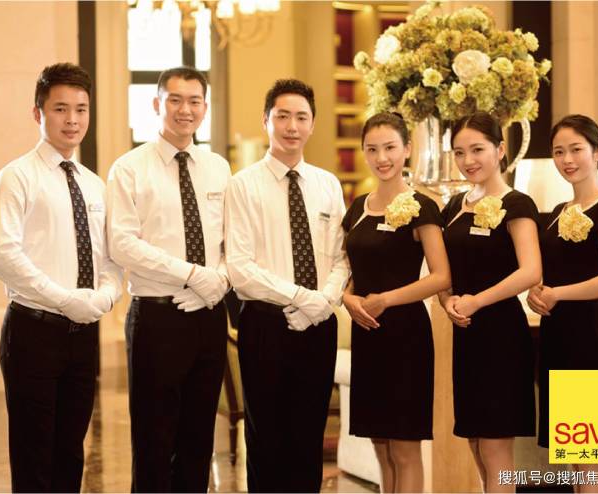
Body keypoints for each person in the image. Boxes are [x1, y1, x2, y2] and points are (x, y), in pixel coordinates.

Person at [0, 62, 122, 492]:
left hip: (83, 334)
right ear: (38, 113)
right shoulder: (17, 176)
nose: (72, 120)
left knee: (70, 451)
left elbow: (111, 258)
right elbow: (2, 254)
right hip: (34, 330)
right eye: (60, 109)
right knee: (34, 455)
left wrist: (105, 296)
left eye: (81, 109)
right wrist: (65, 299)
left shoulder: (94, 184)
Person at [106, 66, 231, 492]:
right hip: (156, 319)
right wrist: (192, 274)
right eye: (175, 100)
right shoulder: (129, 168)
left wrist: (218, 280)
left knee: (199, 438)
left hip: (208, 316)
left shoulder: (218, 167)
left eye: (194, 101)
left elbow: (233, 242)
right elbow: (123, 244)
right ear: (157, 104)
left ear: (205, 108)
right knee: (154, 440)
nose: (185, 110)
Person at [224, 78, 349, 493]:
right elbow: (240, 267)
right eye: (282, 116)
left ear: (312, 124)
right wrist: (300, 298)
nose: (292, 126)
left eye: (301, 117)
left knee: (308, 436)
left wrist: (323, 302)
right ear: (266, 121)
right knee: (266, 438)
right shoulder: (243, 185)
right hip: (266, 325)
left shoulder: (328, 184)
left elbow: (342, 257)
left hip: (319, 324)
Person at [340, 112, 451, 493]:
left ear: (407, 149)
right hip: (367, 333)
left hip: (406, 336)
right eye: (372, 149)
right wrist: (347, 298)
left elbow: (441, 276)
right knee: (380, 444)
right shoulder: (357, 207)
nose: (381, 157)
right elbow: (350, 272)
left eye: (389, 147)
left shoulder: (422, 206)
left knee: (404, 448)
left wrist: (385, 300)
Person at [439, 111, 541, 493]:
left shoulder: (517, 203)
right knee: (476, 443)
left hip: (502, 334)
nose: (468, 160)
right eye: (459, 152)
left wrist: (476, 302)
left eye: (477, 149)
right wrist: (447, 301)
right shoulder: (454, 206)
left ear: (500, 150)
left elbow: (531, 271)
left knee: (496, 447)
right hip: (466, 336)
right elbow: (442, 270)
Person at [527, 114, 598, 493]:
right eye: (559, 151)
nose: (567, 159)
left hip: (591, 339)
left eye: (576, 149)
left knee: (594, 457)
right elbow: (550, 273)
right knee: (575, 458)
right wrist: (538, 292)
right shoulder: (557, 212)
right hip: (557, 338)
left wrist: (558, 293)